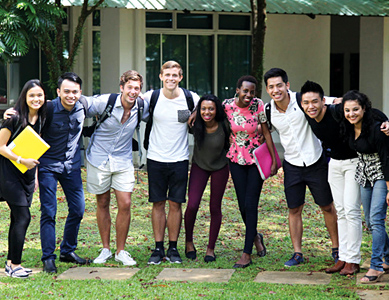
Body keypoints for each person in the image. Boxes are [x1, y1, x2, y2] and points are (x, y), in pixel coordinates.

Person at [264, 68, 339, 267]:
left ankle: (336, 249)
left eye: (279, 85)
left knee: (327, 206)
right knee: (294, 208)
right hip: (292, 166)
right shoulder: (268, 110)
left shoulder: (302, 100)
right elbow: (264, 131)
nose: (276, 90)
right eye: (271, 87)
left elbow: (332, 101)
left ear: (287, 85)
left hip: (316, 162)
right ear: (267, 89)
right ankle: (297, 253)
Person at [87, 70, 149, 265]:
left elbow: (164, 110)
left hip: (123, 160)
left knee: (125, 203)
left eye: (137, 88)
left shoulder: (141, 106)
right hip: (98, 158)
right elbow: (78, 102)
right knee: (103, 203)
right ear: (121, 88)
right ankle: (105, 249)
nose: (133, 91)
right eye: (129, 87)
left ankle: (121, 251)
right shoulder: (105, 102)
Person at [300, 80, 362, 275]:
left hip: (354, 162)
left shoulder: (336, 111)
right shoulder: (307, 113)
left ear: (323, 101)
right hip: (334, 164)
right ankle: (343, 257)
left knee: (352, 210)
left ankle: (353, 259)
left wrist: (385, 122)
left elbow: (368, 111)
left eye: (315, 102)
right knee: (341, 210)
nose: (311, 106)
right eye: (306, 102)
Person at [144, 61, 200, 265]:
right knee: (158, 203)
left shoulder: (190, 98)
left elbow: (206, 116)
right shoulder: (152, 97)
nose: (171, 78)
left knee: (175, 204)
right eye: (167, 74)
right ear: (160, 76)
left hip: (179, 160)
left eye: (175, 75)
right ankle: (158, 248)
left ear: (181, 77)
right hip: (156, 159)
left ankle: (173, 247)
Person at [223, 75, 277, 268]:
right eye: (245, 91)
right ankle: (255, 236)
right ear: (237, 89)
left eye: (252, 92)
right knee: (242, 206)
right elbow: (214, 120)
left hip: (255, 160)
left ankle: (246, 253)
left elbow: (266, 131)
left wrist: (274, 160)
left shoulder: (258, 105)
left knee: (251, 204)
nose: (249, 95)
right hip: (236, 159)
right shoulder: (226, 106)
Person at [37, 72, 88, 272]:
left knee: (78, 209)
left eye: (74, 91)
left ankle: (67, 251)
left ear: (80, 92)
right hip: (48, 166)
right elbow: (27, 114)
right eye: (66, 91)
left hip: (71, 167)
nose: (70, 95)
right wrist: (11, 113)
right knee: (49, 211)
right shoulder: (47, 108)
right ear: (58, 91)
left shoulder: (83, 107)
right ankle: (48, 257)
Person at [340, 90, 389, 284]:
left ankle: (376, 266)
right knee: (369, 221)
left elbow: (386, 158)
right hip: (363, 175)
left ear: (364, 109)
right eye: (347, 110)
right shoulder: (348, 125)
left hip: (381, 174)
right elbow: (330, 105)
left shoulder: (377, 128)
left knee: (377, 220)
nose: (351, 113)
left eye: (355, 109)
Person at [0, 80, 46, 278]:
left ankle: (11, 263)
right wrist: (21, 159)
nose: (36, 99)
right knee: (23, 216)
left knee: (16, 218)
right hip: (9, 172)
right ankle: (15, 264)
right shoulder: (13, 118)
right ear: (24, 98)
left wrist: (34, 175)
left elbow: (35, 149)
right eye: (31, 96)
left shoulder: (42, 118)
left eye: (39, 95)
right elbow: (1, 147)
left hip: (27, 173)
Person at [184, 94, 230, 262]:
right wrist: (194, 111)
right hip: (199, 166)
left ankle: (210, 248)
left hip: (220, 167)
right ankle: (189, 242)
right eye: (203, 108)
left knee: (214, 207)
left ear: (217, 109)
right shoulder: (195, 124)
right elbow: (178, 115)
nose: (207, 112)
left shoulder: (225, 124)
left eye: (211, 108)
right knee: (192, 204)